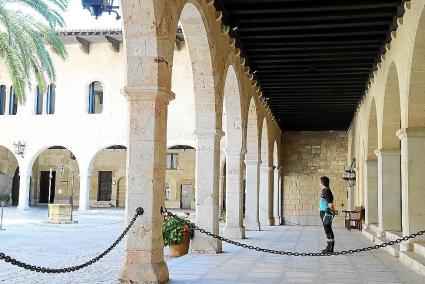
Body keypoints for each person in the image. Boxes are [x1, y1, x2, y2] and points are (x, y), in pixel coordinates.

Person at [319, 176, 338, 253]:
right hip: (323, 212)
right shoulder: (325, 190)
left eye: (320, 181)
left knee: (328, 229)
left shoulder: (327, 191)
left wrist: (335, 211)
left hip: (326, 212)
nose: (319, 183)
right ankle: (328, 246)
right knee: (327, 230)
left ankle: (330, 248)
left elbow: (330, 205)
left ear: (322, 182)